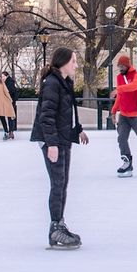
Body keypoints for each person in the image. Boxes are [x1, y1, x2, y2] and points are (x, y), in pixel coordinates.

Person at [32, 47, 89, 250]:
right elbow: (46, 116)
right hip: (52, 139)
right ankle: (55, 228)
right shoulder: (52, 84)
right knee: (58, 183)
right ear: (63, 62)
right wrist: (52, 144)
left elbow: (68, 110)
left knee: (62, 183)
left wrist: (78, 130)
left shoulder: (65, 82)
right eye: (73, 61)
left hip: (63, 137)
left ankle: (59, 223)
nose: (76, 65)